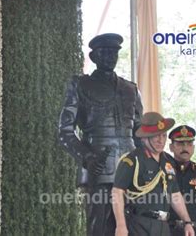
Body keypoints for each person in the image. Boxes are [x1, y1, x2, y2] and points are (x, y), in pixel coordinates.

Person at [58, 33, 143, 236]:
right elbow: (65, 131)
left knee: (132, 225)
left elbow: (139, 133)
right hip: (99, 167)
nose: (110, 56)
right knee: (100, 228)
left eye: (114, 52)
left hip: (132, 170)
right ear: (94, 57)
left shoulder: (131, 89)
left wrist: (147, 168)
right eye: (104, 52)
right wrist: (87, 157)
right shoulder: (80, 85)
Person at [112, 112, 195, 236]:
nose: (161, 140)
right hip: (139, 224)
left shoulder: (168, 162)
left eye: (164, 135)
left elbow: (175, 194)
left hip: (163, 226)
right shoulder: (131, 161)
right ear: (145, 138)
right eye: (156, 136)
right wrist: (121, 225)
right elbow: (117, 192)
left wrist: (187, 222)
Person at [167, 125, 196, 236]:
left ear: (193, 147)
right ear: (171, 147)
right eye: (180, 144)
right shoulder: (165, 170)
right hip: (170, 230)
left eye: (189, 144)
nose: (185, 148)